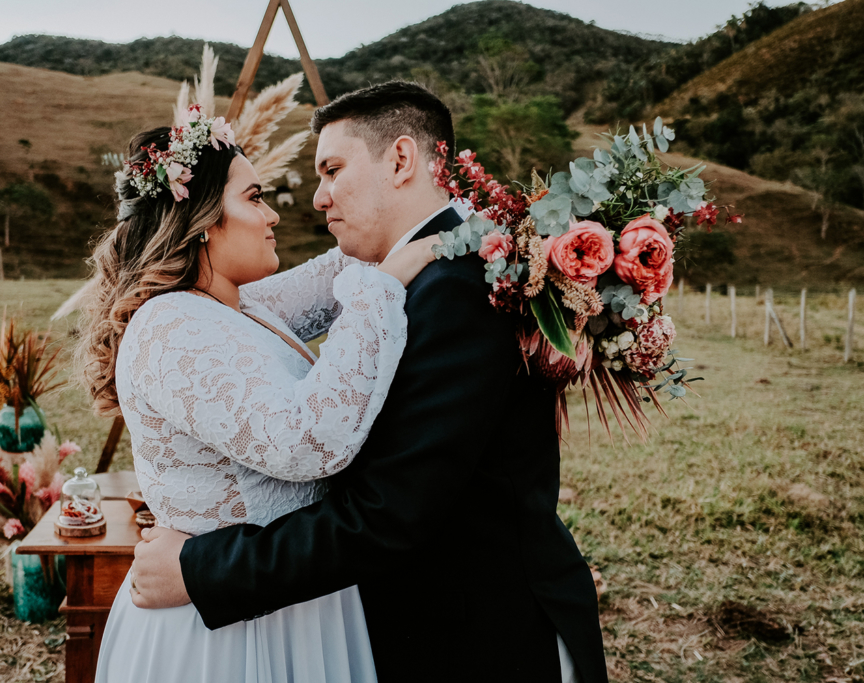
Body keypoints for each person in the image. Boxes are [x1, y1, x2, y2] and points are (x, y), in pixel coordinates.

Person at [129, 81, 610, 682]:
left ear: (402, 159)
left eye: (331, 169)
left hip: (480, 639)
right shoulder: (415, 274)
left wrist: (202, 570)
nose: (316, 198)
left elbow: (387, 512)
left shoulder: (457, 288)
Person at [79, 104, 440, 682]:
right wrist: (381, 287)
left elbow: (344, 261)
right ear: (200, 222)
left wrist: (439, 207)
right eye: (253, 198)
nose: (272, 215)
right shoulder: (170, 326)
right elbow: (310, 441)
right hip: (228, 630)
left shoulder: (246, 306)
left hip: (290, 597)